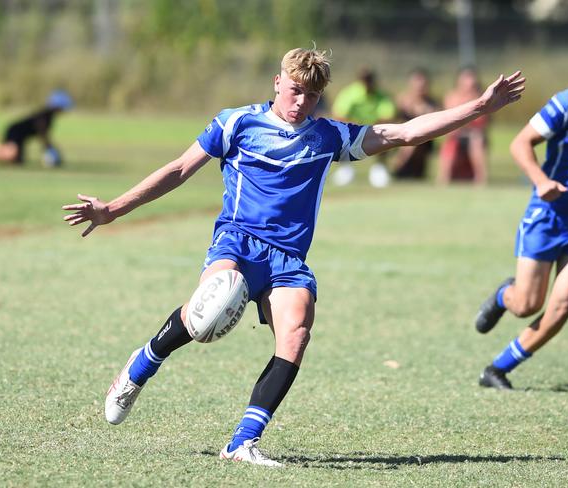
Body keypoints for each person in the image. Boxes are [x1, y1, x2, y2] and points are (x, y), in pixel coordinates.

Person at [63, 47, 524, 466]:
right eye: (296, 90)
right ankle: (140, 366)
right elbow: (179, 170)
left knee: (297, 331)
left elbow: (403, 133)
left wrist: (479, 107)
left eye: (312, 95)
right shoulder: (236, 123)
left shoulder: (328, 136)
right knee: (207, 312)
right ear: (278, 82)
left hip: (287, 258)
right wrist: (112, 210)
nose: (301, 102)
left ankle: (242, 442)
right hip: (237, 244)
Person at [475, 81, 568, 390]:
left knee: (564, 304)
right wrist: (541, 181)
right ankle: (507, 294)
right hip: (550, 215)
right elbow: (521, 143)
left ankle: (498, 370)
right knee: (526, 304)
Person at [0, 89, 73, 166]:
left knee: (17, 162)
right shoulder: (45, 116)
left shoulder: (48, 115)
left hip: (20, 136)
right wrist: (52, 151)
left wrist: (50, 148)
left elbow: (43, 136)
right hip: (16, 132)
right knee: (10, 155)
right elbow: (43, 135)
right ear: (58, 106)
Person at [331, 67, 396, 188]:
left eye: (369, 80)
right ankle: (345, 169)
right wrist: (356, 126)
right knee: (337, 131)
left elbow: (388, 117)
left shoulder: (382, 96)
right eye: (364, 80)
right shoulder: (349, 93)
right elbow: (339, 115)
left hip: (375, 130)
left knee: (388, 132)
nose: (366, 83)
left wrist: (369, 128)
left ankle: (379, 168)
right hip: (352, 129)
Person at [438, 67, 489, 185]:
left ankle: (481, 180)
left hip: (475, 136)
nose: (470, 83)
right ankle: (443, 179)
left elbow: (483, 123)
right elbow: (449, 122)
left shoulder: (482, 98)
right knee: (450, 142)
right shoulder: (451, 97)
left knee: (477, 139)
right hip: (455, 135)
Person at [391, 68, 439, 180]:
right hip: (401, 137)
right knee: (409, 140)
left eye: (423, 85)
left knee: (414, 139)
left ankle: (403, 172)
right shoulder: (402, 101)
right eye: (417, 84)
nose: (420, 88)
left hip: (425, 140)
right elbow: (393, 120)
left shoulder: (432, 104)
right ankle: (398, 170)